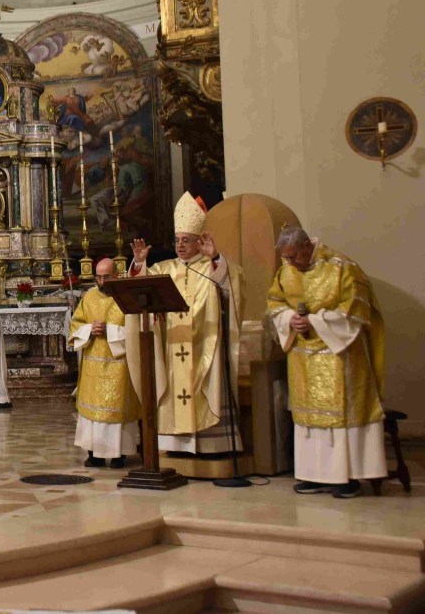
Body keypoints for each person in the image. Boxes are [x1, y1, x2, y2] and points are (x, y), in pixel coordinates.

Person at [266, 226, 386, 499]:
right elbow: (274, 302)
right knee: (308, 417)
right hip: (302, 357)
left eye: (294, 256)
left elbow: (356, 311)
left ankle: (347, 478)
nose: (290, 263)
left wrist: (315, 321)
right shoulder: (286, 271)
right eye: (286, 258)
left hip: (339, 355)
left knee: (340, 416)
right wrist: (288, 319)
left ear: (308, 246)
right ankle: (313, 475)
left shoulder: (343, 268)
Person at [126, 192, 242, 455]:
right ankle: (174, 447)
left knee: (202, 387)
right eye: (177, 240)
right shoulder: (163, 269)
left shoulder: (210, 266)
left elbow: (231, 288)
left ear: (199, 242)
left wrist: (216, 258)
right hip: (171, 347)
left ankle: (210, 446)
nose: (180, 246)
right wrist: (140, 264)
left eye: (186, 240)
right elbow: (140, 288)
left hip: (203, 346)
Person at [69, 258, 139, 468]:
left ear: (116, 275)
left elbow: (136, 330)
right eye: (98, 277)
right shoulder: (88, 296)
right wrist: (89, 329)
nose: (101, 281)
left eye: (106, 276)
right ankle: (94, 454)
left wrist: (110, 331)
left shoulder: (126, 296)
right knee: (92, 412)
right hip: (92, 363)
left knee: (116, 407)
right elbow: (76, 324)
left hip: (118, 364)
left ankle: (119, 454)